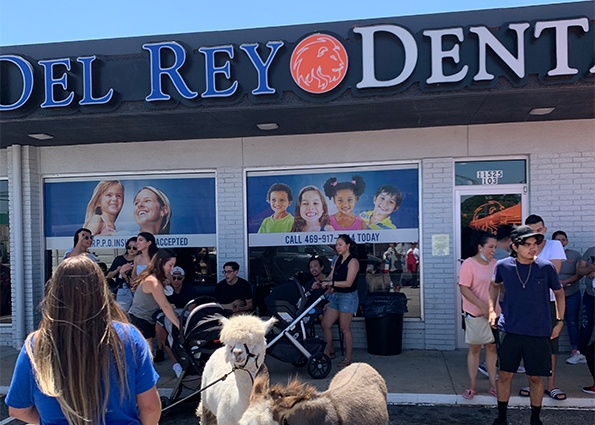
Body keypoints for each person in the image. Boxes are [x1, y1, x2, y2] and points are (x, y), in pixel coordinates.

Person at [5, 256, 160, 425]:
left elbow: (17, 409)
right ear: (101, 291)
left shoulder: (37, 344)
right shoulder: (129, 337)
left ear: (55, 292)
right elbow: (150, 407)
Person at [488, 225, 564, 425]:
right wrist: (491, 310)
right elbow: (494, 286)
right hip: (510, 330)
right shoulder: (503, 266)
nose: (533, 248)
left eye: (535, 244)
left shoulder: (546, 267)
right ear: (515, 246)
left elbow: (559, 293)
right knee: (505, 374)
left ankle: (535, 419)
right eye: (528, 244)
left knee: (535, 378)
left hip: (538, 331)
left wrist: (559, 320)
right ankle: (502, 417)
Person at [522, 214, 567, 401]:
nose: (536, 234)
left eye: (539, 230)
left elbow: (553, 273)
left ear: (545, 230)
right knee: (529, 345)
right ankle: (532, 383)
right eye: (531, 231)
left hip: (548, 303)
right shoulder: (522, 247)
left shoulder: (553, 246)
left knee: (550, 345)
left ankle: (550, 385)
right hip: (526, 304)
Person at [459, 232, 499, 399]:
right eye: (490, 247)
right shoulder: (468, 264)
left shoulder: (496, 264)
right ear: (480, 247)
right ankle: (472, 384)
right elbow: (464, 288)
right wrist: (481, 305)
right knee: (475, 348)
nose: (493, 250)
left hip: (494, 314)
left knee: (492, 347)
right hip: (475, 313)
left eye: (495, 247)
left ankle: (493, 384)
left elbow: (498, 287)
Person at [128, 249, 181, 359]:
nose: (171, 269)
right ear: (161, 262)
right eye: (170, 265)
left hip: (146, 318)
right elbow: (165, 306)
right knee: (146, 355)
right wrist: (180, 327)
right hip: (141, 320)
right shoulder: (153, 281)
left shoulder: (155, 277)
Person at [321, 234, 360, 369]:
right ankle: (327, 352)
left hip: (348, 297)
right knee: (326, 324)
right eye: (337, 244)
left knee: (344, 328)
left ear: (348, 246)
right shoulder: (337, 259)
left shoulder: (353, 261)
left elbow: (349, 283)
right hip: (336, 296)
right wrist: (322, 282)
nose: (338, 247)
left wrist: (331, 283)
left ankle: (348, 358)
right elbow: (330, 277)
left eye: (340, 244)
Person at [552, 230, 585, 365]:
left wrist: (565, 283)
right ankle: (552, 351)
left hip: (571, 293)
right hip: (553, 295)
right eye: (558, 240)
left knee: (572, 321)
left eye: (563, 240)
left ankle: (575, 350)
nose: (561, 242)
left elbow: (579, 273)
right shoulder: (550, 256)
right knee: (553, 323)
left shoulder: (574, 255)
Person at [577, 246, 595, 385]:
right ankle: (581, 353)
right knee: (586, 324)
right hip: (590, 295)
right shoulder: (590, 251)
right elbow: (580, 270)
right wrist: (591, 270)